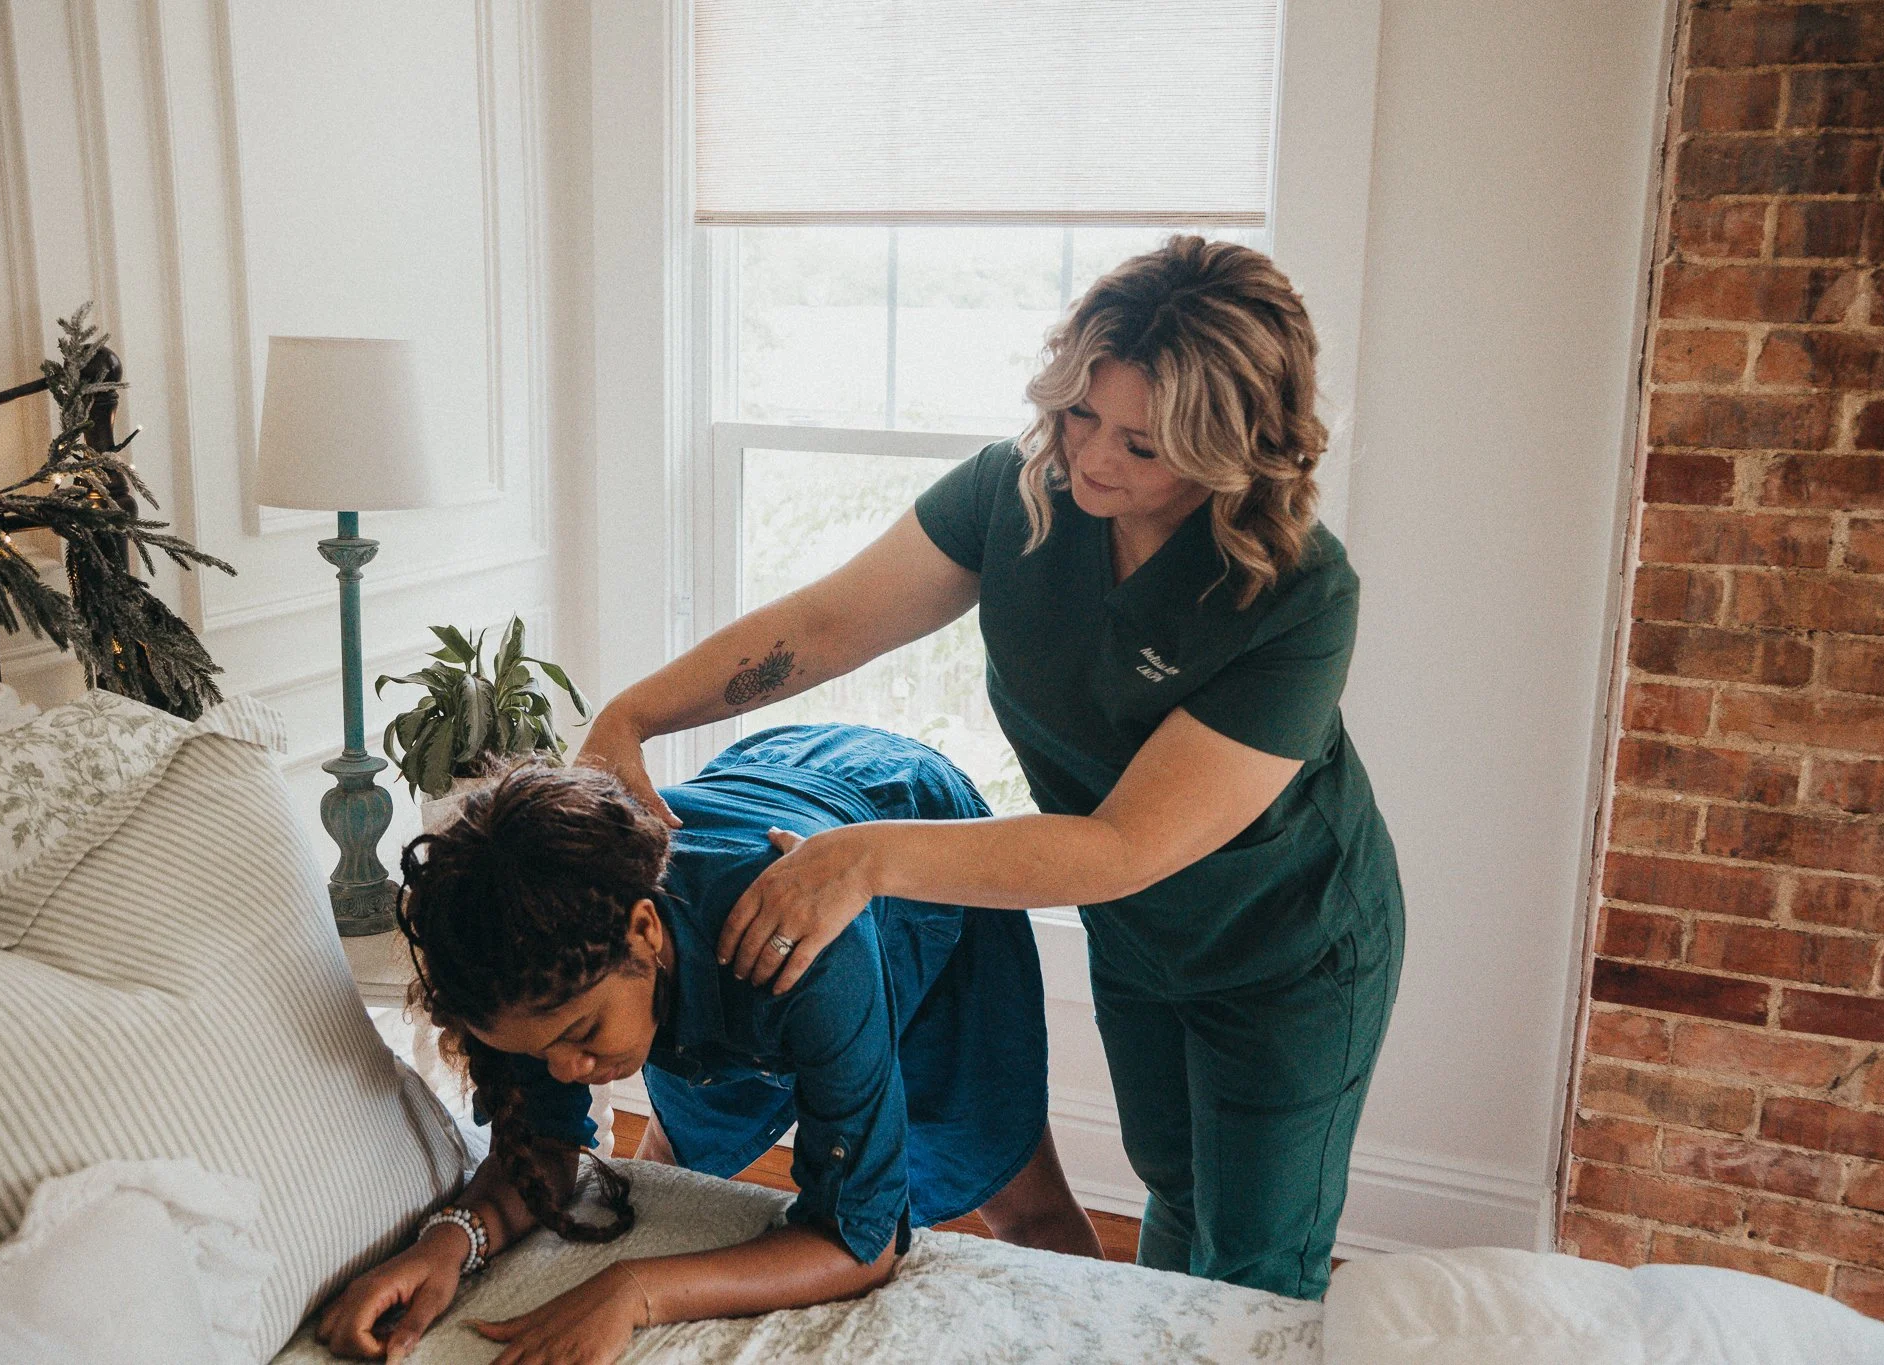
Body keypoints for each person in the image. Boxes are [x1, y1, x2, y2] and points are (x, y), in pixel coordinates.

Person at [580, 236, 1404, 1301]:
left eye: (1142, 445)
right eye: (1078, 415)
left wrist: (865, 858)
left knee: (1254, 1251)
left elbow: (1121, 843)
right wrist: (630, 715)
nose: (1093, 459)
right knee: (1175, 1189)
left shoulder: (1298, 596)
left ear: (1234, 446)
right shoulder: (1018, 497)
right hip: (1140, 937)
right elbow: (828, 625)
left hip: (1287, 949)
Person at [314, 725, 1098, 1363]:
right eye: (538, 1050)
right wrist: (452, 1240)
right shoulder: (537, 964)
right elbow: (544, 1150)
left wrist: (634, 1288)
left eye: (583, 1036)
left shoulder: (817, 957)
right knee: (673, 1162)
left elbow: (861, 1243)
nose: (567, 1071)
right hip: (751, 809)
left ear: (645, 932)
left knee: (1019, 1195)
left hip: (901, 845)